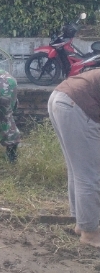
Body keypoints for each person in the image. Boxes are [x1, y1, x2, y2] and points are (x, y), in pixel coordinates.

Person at [48, 69, 100, 248]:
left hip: (62, 96)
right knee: (90, 174)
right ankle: (90, 233)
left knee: (78, 170)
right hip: (77, 104)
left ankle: (82, 224)